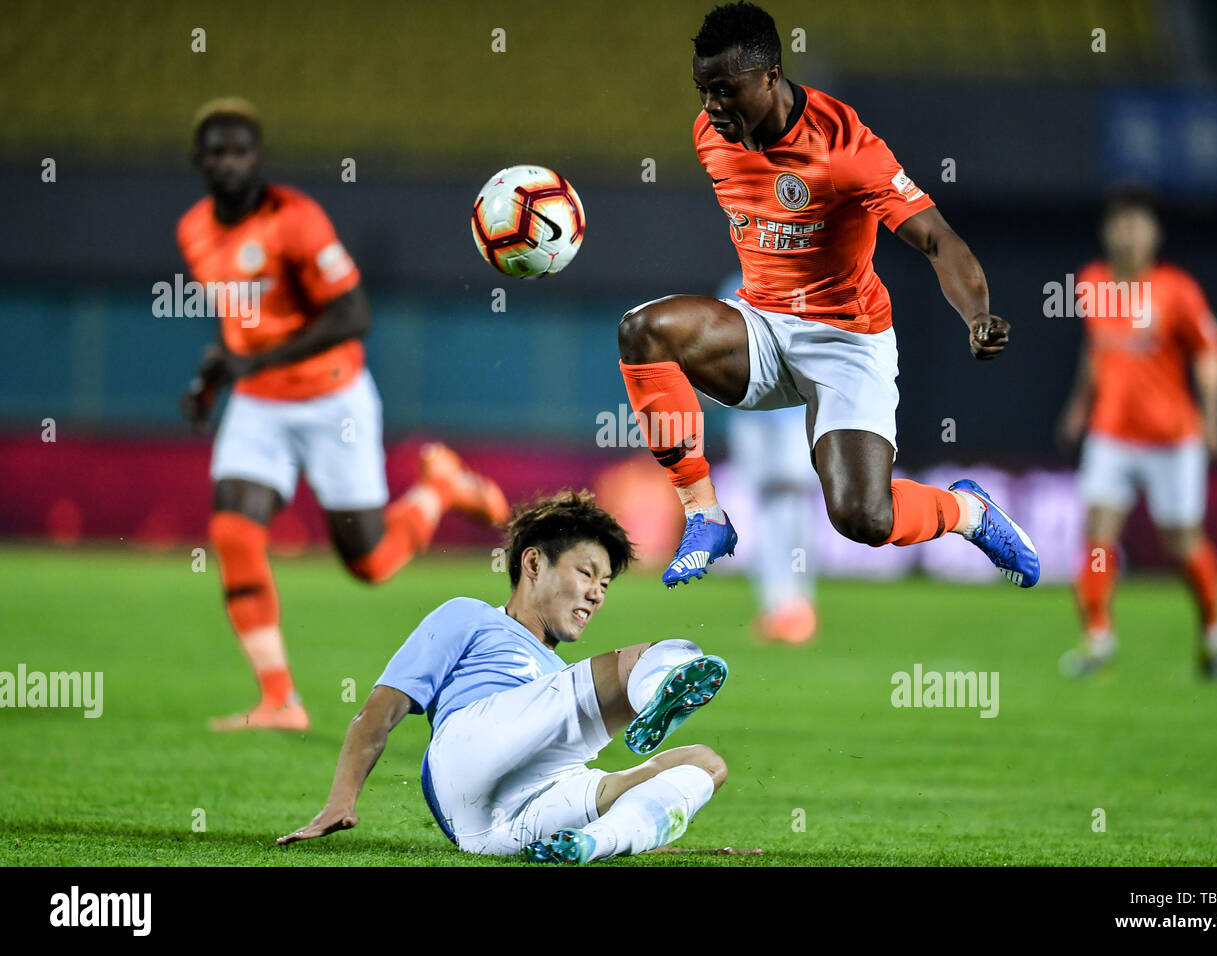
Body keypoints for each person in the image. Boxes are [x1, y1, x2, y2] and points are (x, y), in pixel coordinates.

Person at [616, 2, 1039, 591]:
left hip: (847, 339)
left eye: (725, 90)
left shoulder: (845, 147)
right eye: (702, 90)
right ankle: (705, 515)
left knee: (863, 517)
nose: (712, 106)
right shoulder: (711, 136)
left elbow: (938, 241)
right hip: (760, 328)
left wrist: (978, 314)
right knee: (643, 331)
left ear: (769, 76)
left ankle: (970, 512)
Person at [177, 98, 510, 731]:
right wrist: (212, 377)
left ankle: (438, 491)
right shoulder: (195, 229)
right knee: (233, 534)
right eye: (215, 152)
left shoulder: (296, 221)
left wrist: (262, 356)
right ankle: (280, 700)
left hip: (334, 400)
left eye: (239, 150)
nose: (227, 162)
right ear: (199, 162)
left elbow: (353, 314)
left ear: (259, 159)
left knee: (371, 563)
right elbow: (244, 322)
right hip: (258, 407)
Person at [277, 491, 730, 864]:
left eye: (606, 585)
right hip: (467, 752)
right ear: (533, 564)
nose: (595, 594)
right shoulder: (469, 617)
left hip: (494, 829)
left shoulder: (559, 683)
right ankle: (652, 695)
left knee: (706, 765)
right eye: (587, 573)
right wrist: (341, 799)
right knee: (666, 654)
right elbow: (379, 711)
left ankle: (602, 841)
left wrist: (660, 830)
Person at [1056, 186, 1217, 678]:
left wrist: (1214, 416)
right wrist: (1079, 405)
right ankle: (1097, 636)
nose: (1128, 236)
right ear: (1107, 232)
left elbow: (1211, 352)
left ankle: (1213, 627)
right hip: (1111, 433)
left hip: (1172, 439)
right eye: (1121, 225)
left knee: (1182, 542)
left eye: (1137, 226)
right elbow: (1096, 352)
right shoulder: (1091, 282)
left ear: (1155, 235)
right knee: (1096, 534)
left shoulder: (1177, 289)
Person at [717, 272, 821, 643]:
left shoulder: (804, 283)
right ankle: (779, 606)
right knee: (767, 508)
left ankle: (798, 606)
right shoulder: (733, 286)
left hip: (793, 415)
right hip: (750, 417)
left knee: (789, 504)